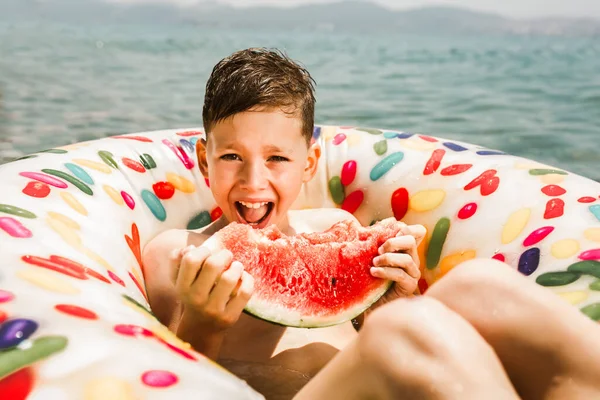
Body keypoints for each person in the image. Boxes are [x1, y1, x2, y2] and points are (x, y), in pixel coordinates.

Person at [142, 48, 600, 399]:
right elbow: (172, 384)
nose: (253, 180)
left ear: (309, 162)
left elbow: (369, 339)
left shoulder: (336, 225)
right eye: (231, 157)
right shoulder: (178, 254)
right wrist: (203, 323)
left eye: (277, 158)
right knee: (401, 330)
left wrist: (388, 298)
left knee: (478, 285)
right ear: (205, 160)